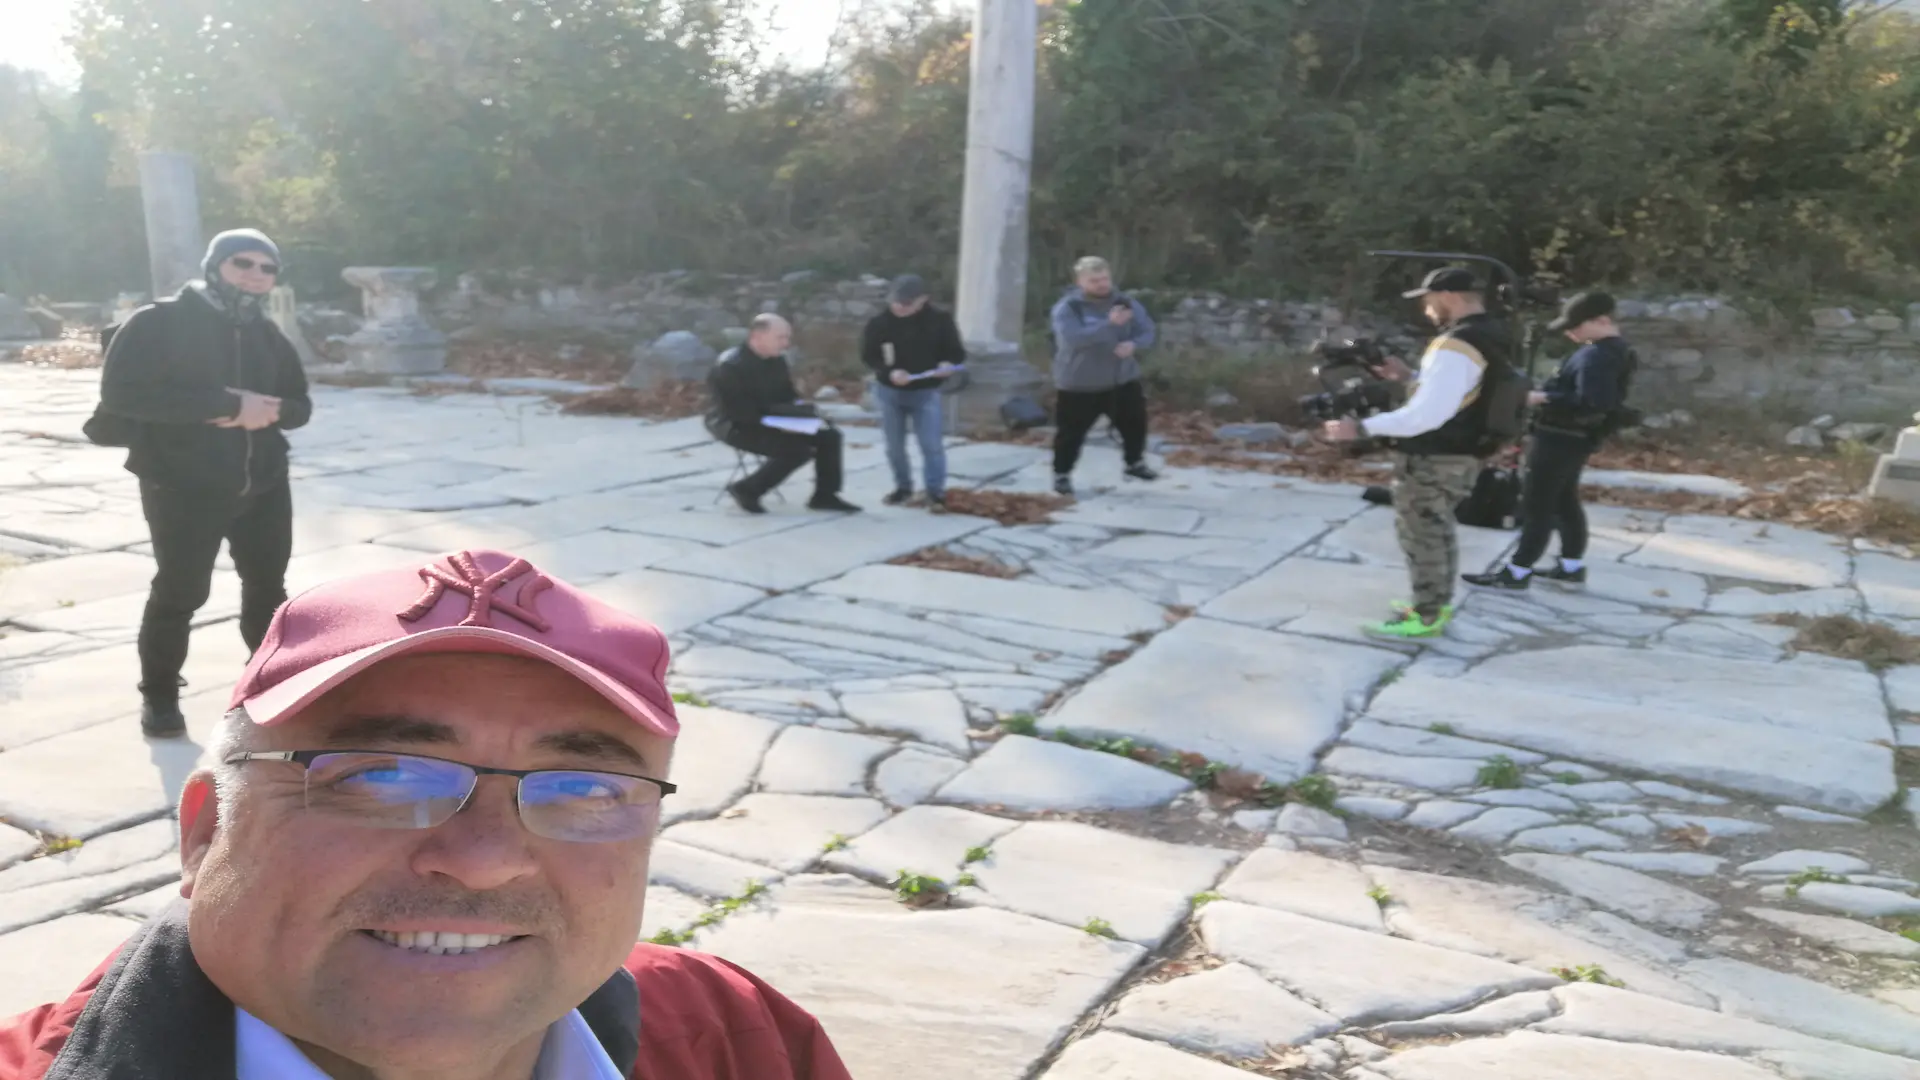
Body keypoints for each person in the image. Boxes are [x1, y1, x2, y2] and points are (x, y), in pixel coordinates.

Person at [0, 549, 854, 1080]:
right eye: (381, 777)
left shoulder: (736, 1036)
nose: (483, 859)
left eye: (582, 789)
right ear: (205, 830)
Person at [93, 228, 313, 740]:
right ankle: (160, 697)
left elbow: (300, 405)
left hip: (263, 483)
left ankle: (268, 686)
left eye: (267, 268)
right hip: (181, 484)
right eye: (243, 263)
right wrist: (228, 405)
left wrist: (272, 411)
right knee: (181, 591)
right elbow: (121, 395)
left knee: (268, 588)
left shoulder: (266, 333)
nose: (256, 275)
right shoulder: (158, 322)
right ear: (215, 266)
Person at [1323, 267, 1516, 639]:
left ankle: (1425, 616)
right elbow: (1459, 394)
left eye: (1428, 301)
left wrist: (1361, 428)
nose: (1426, 309)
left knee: (1423, 535)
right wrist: (1410, 378)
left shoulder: (1455, 345)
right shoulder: (1492, 334)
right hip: (1464, 452)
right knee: (1438, 530)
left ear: (1448, 297)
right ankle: (1435, 604)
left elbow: (1425, 416)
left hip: (1435, 456)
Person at [1464, 291, 1633, 591]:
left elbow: (1593, 402)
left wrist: (1542, 398)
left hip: (1560, 437)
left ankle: (1518, 571)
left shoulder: (1597, 356)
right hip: (1576, 439)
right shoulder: (1615, 351)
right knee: (1564, 500)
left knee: (1537, 504)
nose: (1570, 333)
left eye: (1576, 326)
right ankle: (1570, 565)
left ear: (1602, 321)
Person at [705, 313, 860, 515]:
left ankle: (825, 496)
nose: (786, 343)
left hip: (772, 419)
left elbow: (787, 395)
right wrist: (783, 424)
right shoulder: (730, 366)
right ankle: (747, 489)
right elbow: (740, 412)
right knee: (797, 450)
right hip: (735, 424)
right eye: (781, 337)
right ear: (757, 336)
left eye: (787, 337)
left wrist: (801, 415)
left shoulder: (777, 360)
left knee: (830, 435)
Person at [1049, 256, 1159, 497]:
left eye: (1104, 279)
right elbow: (1074, 340)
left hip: (1122, 379)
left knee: (1135, 424)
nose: (1101, 284)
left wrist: (1134, 344)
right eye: (1094, 280)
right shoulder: (1069, 309)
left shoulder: (1125, 303)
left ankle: (1134, 463)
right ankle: (1062, 474)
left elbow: (1148, 330)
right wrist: (1109, 325)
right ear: (1080, 282)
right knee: (1071, 434)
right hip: (1080, 383)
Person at [861, 274, 964, 511]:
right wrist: (889, 372)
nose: (899, 307)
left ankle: (935, 492)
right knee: (894, 446)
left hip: (926, 391)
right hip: (889, 391)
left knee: (931, 445)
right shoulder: (879, 323)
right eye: (895, 301)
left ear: (922, 300)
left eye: (906, 303)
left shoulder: (940, 320)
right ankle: (903, 487)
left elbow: (956, 352)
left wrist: (947, 364)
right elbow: (869, 356)